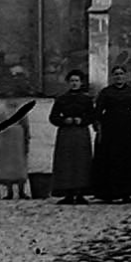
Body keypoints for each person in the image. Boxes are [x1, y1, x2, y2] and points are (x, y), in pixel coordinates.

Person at [90, 66, 131, 203]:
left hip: (129, 130)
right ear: (112, 77)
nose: (119, 77)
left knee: (128, 162)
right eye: (116, 74)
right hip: (111, 131)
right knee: (110, 161)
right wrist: (99, 131)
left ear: (126, 76)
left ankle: (127, 192)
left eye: (121, 74)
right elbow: (97, 113)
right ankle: (109, 193)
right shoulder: (106, 92)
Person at [48, 68, 96, 205]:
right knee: (66, 163)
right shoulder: (61, 99)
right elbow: (53, 117)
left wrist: (83, 120)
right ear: (68, 83)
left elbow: (92, 115)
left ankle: (81, 193)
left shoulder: (86, 100)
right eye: (72, 81)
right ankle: (67, 193)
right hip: (66, 134)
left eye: (77, 81)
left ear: (81, 83)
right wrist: (64, 121)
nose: (74, 83)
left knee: (82, 162)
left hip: (81, 134)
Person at [0, 98, 30, 199]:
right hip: (5, 141)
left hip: (18, 141)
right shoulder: (0, 111)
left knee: (20, 165)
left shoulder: (22, 111)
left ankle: (21, 191)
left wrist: (26, 141)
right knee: (6, 165)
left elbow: (26, 127)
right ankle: (9, 191)